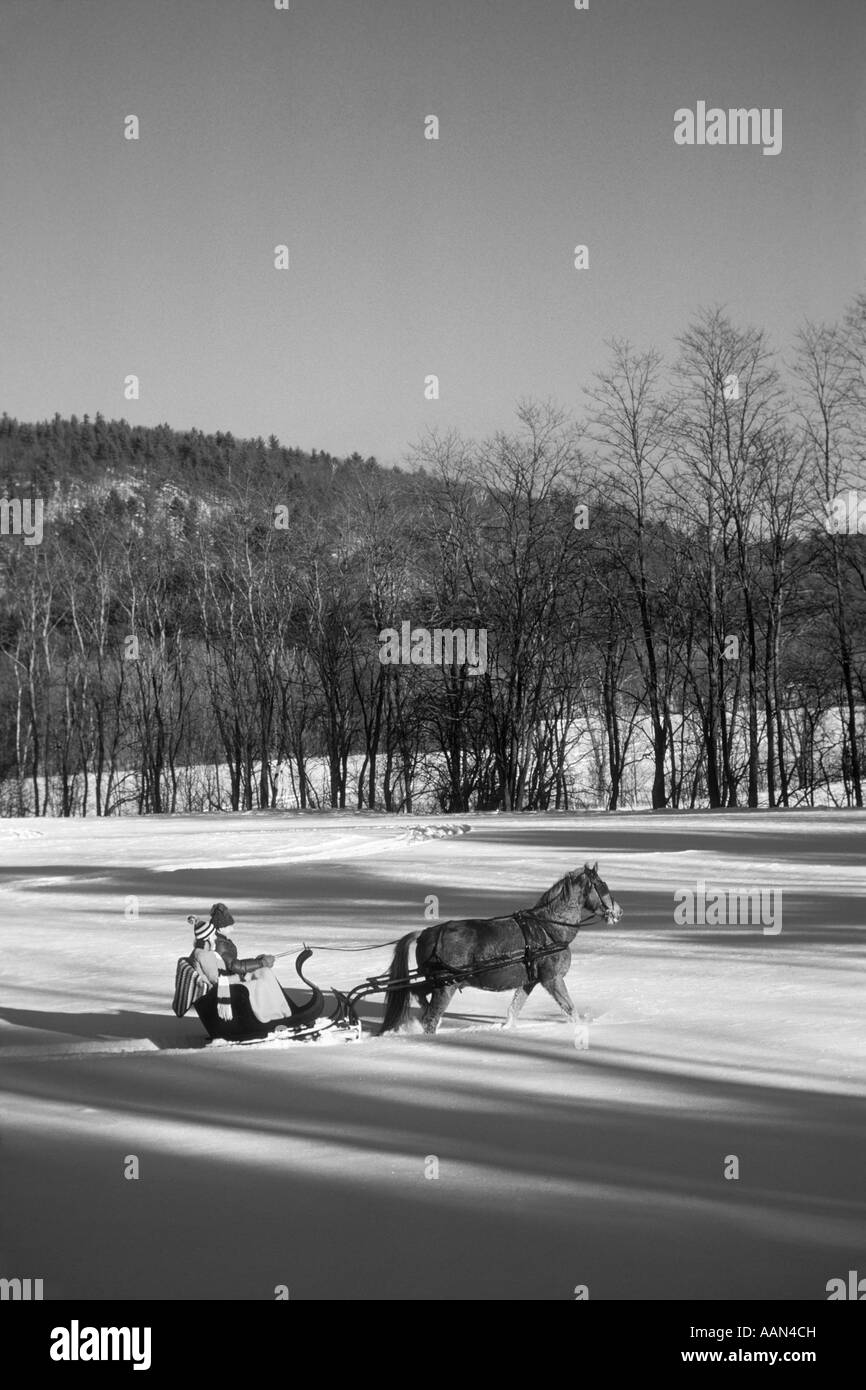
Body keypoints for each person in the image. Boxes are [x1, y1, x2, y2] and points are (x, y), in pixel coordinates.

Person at [190, 905, 292, 1024]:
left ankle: (283, 1012)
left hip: (229, 979)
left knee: (265, 972)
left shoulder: (212, 946)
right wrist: (249, 971)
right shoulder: (209, 952)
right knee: (259, 984)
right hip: (223, 988)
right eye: (229, 926)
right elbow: (219, 979)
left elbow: (230, 965)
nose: (232, 929)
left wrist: (257, 962)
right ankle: (268, 1018)